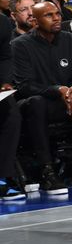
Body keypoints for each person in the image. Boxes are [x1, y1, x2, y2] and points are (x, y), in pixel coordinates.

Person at [12, 2, 72, 193]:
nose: (56, 18)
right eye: (49, 15)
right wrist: (58, 90)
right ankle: (48, 171)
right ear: (35, 20)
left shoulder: (70, 40)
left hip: (70, 102)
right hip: (42, 103)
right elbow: (25, 86)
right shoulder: (20, 45)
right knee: (35, 103)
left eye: (57, 14)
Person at [0, 13, 24, 200]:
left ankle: (3, 176)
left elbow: (5, 57)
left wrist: (5, 82)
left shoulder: (2, 22)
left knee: (11, 115)